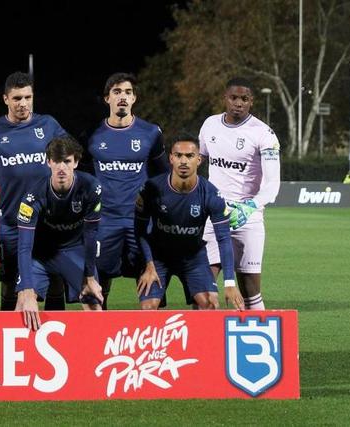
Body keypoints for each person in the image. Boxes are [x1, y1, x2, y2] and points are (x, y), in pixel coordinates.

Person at [0, 71, 68, 312]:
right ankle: (8, 339)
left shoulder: (48, 125)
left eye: (27, 97)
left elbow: (71, 153)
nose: (23, 103)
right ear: (5, 99)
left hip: (48, 221)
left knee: (55, 281)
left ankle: (60, 339)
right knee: (10, 285)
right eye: (17, 98)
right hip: (11, 221)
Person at [80, 72, 169, 309]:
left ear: (134, 99)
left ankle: (154, 342)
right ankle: (97, 339)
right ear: (107, 99)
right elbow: (83, 178)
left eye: (128, 92)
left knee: (151, 289)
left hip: (139, 222)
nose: (122, 97)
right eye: (117, 92)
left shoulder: (151, 133)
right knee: (98, 292)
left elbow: (163, 176)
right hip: (104, 221)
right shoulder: (92, 136)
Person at [134, 135, 244, 310]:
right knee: (148, 308)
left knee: (210, 304)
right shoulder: (151, 189)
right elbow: (139, 230)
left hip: (193, 258)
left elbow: (223, 238)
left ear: (199, 159)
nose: (183, 161)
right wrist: (148, 264)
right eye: (178, 155)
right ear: (171, 158)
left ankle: (198, 338)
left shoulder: (211, 194)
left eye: (189, 156)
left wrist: (230, 283)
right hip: (158, 258)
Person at [199, 77, 281, 310]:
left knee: (250, 291)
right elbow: (199, 161)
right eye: (233, 98)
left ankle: (260, 344)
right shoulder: (209, 125)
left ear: (251, 102)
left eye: (244, 99)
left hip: (248, 217)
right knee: (203, 288)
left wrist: (250, 207)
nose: (238, 103)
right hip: (213, 215)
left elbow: (273, 183)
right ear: (225, 98)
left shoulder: (264, 134)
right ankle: (204, 344)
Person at [15, 136, 104, 331]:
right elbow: (24, 246)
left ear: (76, 162)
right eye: (56, 161)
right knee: (22, 305)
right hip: (40, 254)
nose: (61, 167)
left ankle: (92, 356)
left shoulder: (91, 188)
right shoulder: (32, 196)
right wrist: (28, 291)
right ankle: (25, 359)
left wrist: (89, 277)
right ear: (48, 162)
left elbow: (91, 235)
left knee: (94, 304)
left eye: (67, 161)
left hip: (73, 251)